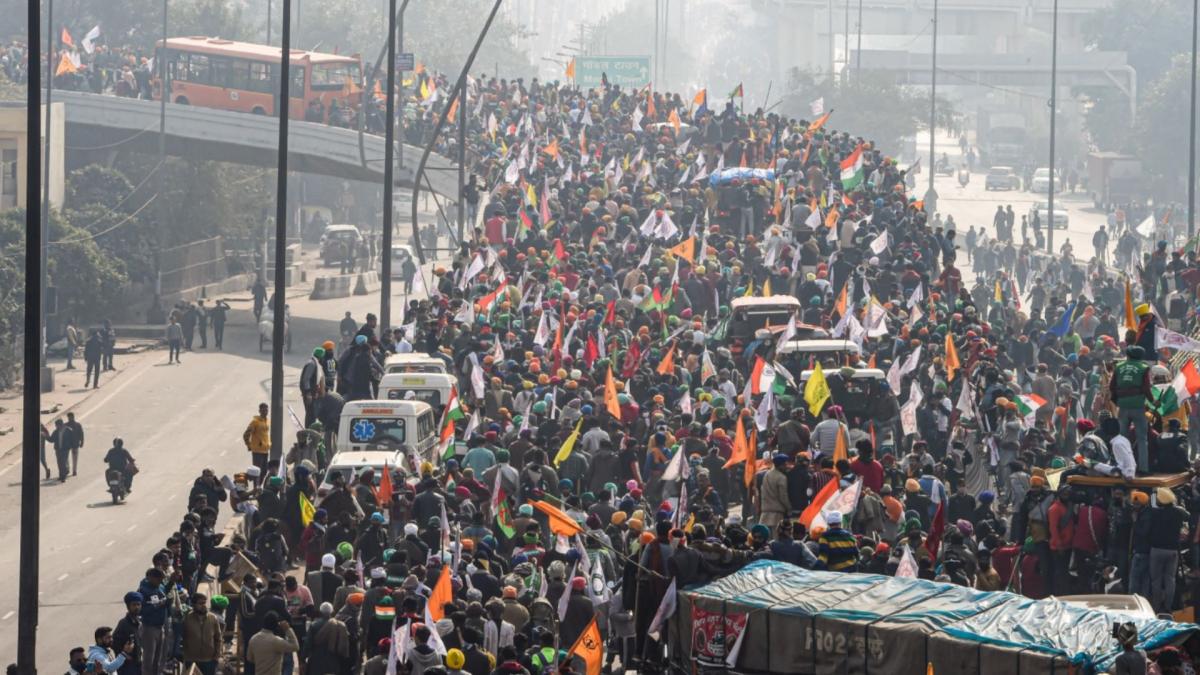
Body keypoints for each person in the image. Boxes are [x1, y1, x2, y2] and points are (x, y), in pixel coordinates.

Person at [181, 593, 222, 675]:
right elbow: (183, 637)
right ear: (193, 605)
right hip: (191, 660)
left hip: (209, 661)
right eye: (200, 603)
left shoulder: (213, 618)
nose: (204, 606)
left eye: (205, 603)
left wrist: (216, 657)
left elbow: (218, 638)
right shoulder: (187, 618)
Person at [244, 403, 271, 479]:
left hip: (265, 450)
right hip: (257, 451)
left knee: (264, 472)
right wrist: (249, 445)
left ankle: (261, 485)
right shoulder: (255, 422)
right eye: (263, 410)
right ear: (259, 411)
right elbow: (246, 435)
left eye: (266, 410)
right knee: (257, 473)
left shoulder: (267, 421)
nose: (265, 412)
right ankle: (256, 486)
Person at [63, 412, 84, 478]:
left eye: (71, 417)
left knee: (75, 458)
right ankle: (67, 469)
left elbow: (81, 434)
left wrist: (82, 442)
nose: (70, 418)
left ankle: (74, 470)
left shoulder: (78, 425)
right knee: (66, 458)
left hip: (75, 444)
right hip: (67, 444)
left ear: (73, 417)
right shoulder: (65, 425)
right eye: (69, 417)